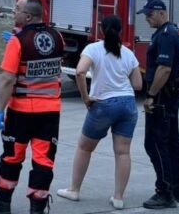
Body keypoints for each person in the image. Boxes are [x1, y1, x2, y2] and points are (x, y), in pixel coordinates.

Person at [57, 14, 143, 210]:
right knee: (123, 152)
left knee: (84, 147)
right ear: (121, 31)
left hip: (103, 104)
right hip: (128, 104)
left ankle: (74, 189)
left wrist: (86, 98)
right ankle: (118, 197)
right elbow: (138, 85)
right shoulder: (128, 53)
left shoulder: (93, 49)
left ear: (101, 30)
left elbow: (80, 72)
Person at [0, 0, 65, 214]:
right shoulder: (57, 36)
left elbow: (7, 79)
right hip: (49, 112)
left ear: (29, 16)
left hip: (21, 112)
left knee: (12, 156)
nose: (14, 12)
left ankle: (3, 204)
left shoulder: (18, 41)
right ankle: (37, 208)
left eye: (17, 9)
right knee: (44, 160)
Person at [137, 0, 179, 209]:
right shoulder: (168, 32)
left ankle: (165, 191)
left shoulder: (166, 35)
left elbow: (164, 69)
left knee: (155, 143)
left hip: (162, 97)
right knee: (172, 142)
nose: (147, 19)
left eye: (149, 14)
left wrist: (151, 95)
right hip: (170, 95)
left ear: (161, 13)